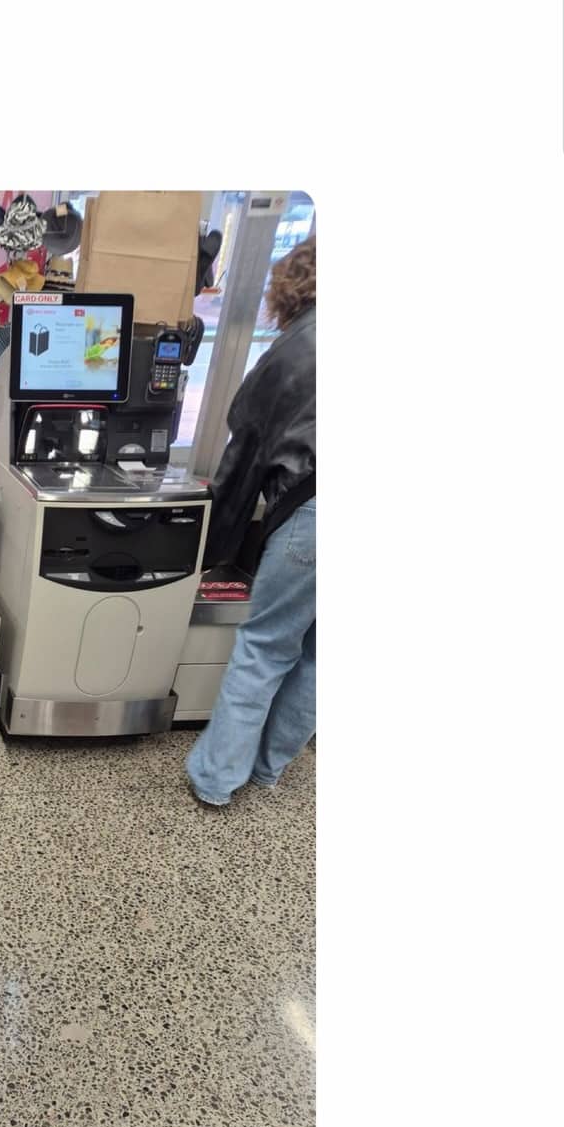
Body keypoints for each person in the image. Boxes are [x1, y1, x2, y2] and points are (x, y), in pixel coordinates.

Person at [185, 234, 316, 807]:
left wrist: (217, 545)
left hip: (315, 514)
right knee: (319, 653)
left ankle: (216, 781)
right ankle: (267, 769)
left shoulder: (298, 349)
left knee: (264, 647)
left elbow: (245, 455)